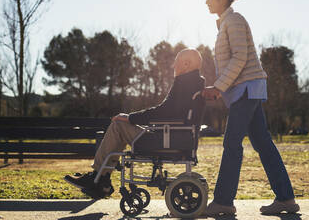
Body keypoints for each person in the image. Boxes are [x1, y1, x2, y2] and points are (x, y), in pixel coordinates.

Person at [202, 0, 300, 216]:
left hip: (246, 88)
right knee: (262, 143)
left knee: (232, 143)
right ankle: (286, 198)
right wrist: (221, 86)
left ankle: (224, 201)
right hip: (246, 88)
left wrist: (218, 86)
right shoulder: (227, 22)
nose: (206, 1)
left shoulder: (233, 20)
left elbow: (240, 58)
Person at [64, 48, 205, 199]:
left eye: (176, 62)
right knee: (121, 126)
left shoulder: (184, 83)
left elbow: (162, 112)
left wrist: (130, 118)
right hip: (176, 138)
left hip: (165, 140)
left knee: (118, 125)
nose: (173, 66)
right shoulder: (195, 84)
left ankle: (98, 178)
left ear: (186, 63)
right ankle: (101, 178)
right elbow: (168, 113)